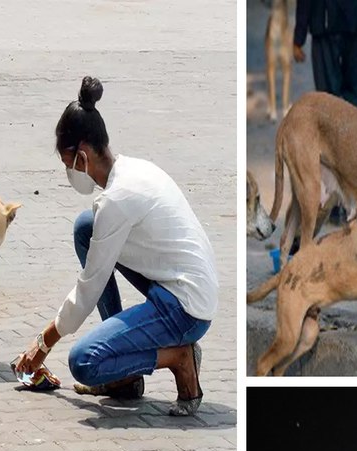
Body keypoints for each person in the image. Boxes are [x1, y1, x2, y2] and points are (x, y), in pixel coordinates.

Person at [14, 77, 217, 417]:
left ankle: (180, 358)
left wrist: (42, 343)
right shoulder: (135, 169)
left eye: (68, 165)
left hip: (186, 308)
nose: (69, 173)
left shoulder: (117, 201)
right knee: (85, 228)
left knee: (85, 362)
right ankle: (126, 375)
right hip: (186, 284)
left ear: (81, 156)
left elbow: (87, 290)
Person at [293, 0, 357, 109]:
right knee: (356, 95)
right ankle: (354, 123)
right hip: (354, 23)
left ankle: (334, 122)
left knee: (327, 96)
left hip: (324, 23)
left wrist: (299, 36)